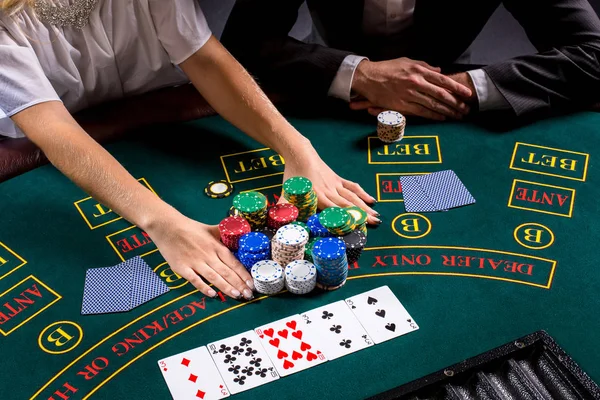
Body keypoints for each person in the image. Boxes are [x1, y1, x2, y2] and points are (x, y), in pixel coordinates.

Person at [0, 0, 380, 301]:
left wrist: (297, 149)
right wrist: (165, 224)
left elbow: (205, 59)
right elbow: (55, 132)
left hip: (169, 114)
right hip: (59, 150)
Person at [221, 0, 600, 126]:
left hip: (446, 95)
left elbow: (594, 53)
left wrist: (460, 88)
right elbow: (245, 39)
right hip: (321, 86)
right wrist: (359, 73)